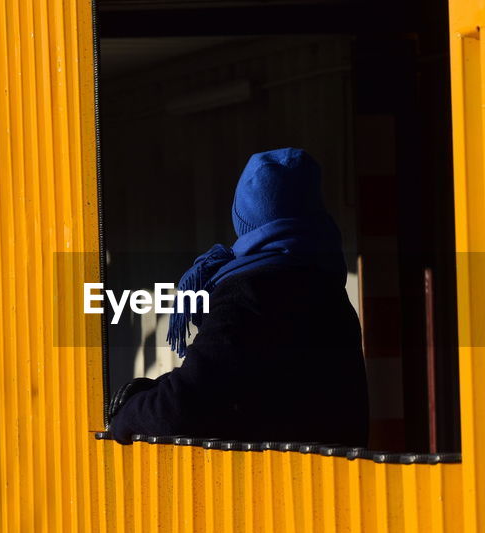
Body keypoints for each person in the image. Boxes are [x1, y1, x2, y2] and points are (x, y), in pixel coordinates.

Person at [108, 147, 369, 446]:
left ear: (243, 215)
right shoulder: (329, 292)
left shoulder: (250, 292)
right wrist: (157, 389)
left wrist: (126, 416)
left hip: (269, 488)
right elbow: (248, 384)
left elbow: (181, 408)